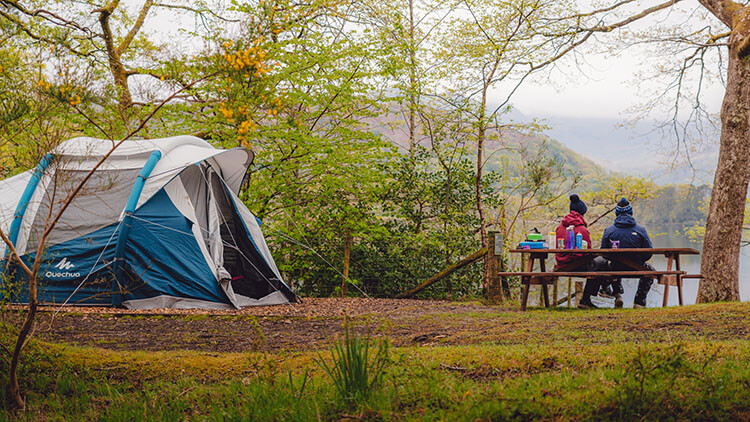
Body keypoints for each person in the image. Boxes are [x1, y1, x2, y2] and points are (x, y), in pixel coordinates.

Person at [599, 197, 655, 308]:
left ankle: (617, 294)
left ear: (616, 213)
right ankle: (639, 302)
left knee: (608, 266)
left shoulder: (609, 231)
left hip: (615, 267)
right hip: (637, 268)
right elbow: (649, 252)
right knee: (650, 272)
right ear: (631, 212)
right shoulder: (641, 230)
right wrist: (639, 261)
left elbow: (604, 253)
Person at [554, 194, 599, 309]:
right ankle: (586, 299)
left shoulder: (560, 227)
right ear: (582, 213)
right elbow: (588, 252)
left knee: (598, 264)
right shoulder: (582, 230)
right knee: (602, 264)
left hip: (561, 265)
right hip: (578, 266)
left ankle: (588, 299)